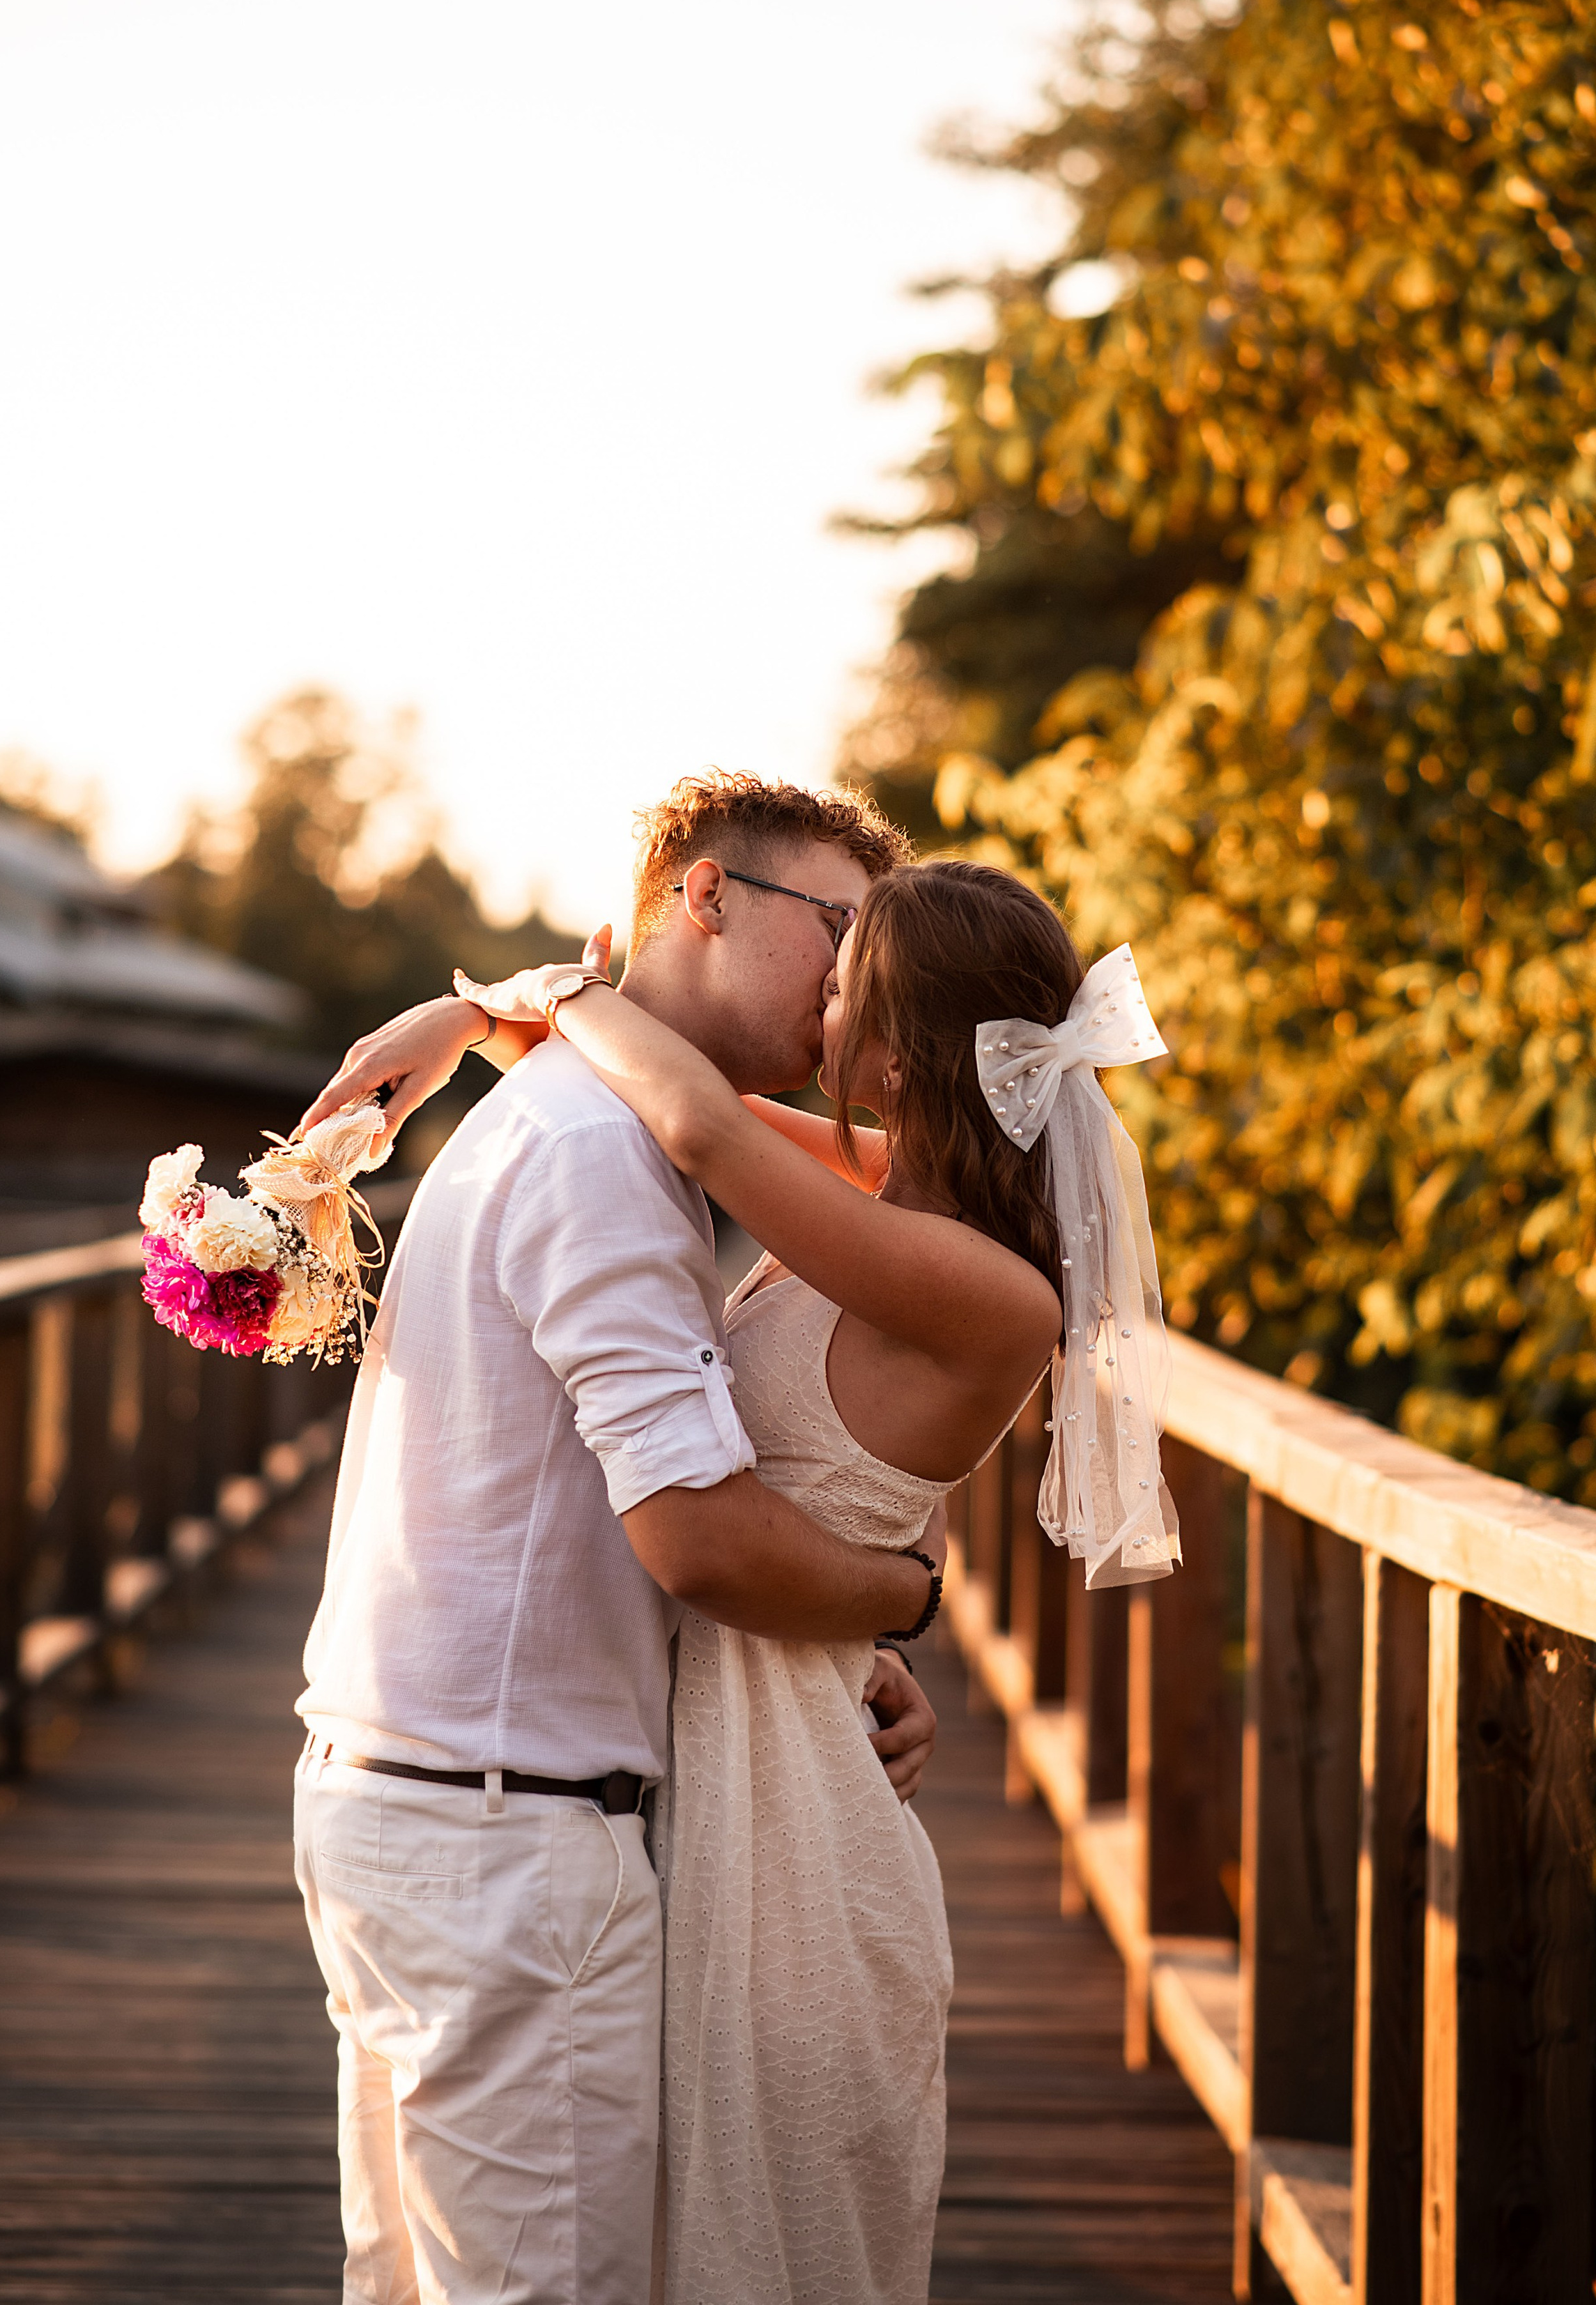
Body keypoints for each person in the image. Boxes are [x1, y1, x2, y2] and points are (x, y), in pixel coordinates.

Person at [456, 857, 1170, 2305]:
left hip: (794, 1833)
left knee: (766, 2245)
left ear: (898, 1051)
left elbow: (696, 1122)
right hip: (728, 1757)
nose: (817, 989)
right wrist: (470, 1026)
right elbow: (642, 1094)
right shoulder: (871, 1186)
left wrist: (565, 983)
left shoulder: (988, 1284)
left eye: (846, 977)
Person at [289, 774, 946, 2305]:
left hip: (402, 1803)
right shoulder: (601, 1155)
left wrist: (835, 1653)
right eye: (833, 930)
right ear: (703, 897)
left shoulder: (571, 1113)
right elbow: (701, 1544)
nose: (848, 984)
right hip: (508, 1849)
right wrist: (899, 1597)